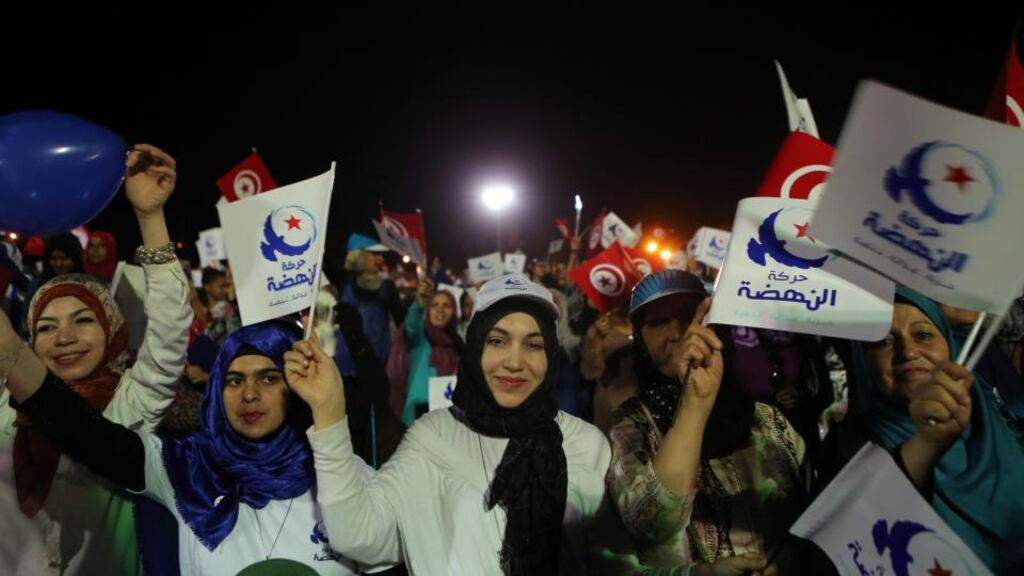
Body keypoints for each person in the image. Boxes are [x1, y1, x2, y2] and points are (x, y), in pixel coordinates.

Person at [3, 321, 397, 575]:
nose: (249, 395)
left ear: (295, 386)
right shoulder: (183, 467)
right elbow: (83, 432)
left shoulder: (344, 475)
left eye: (269, 378)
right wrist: (11, 351)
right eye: (234, 380)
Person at [288, 273, 610, 574]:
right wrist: (329, 412)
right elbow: (357, 532)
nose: (514, 362)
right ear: (474, 346)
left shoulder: (585, 443)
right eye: (497, 341)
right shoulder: (434, 436)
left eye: (533, 344)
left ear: (550, 354)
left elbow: (613, 558)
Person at [0, 144, 192, 576]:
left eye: (83, 320)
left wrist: (150, 217)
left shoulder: (131, 404)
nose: (64, 337)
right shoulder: (4, 406)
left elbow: (171, 329)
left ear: (111, 333)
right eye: (46, 327)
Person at [607, 270, 809, 575]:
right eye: (657, 322)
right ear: (640, 339)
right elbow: (650, 525)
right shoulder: (632, 425)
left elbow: (810, 518)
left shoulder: (767, 420)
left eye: (688, 315)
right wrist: (695, 403)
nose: (676, 332)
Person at [817, 287, 1024, 570]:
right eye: (883, 341)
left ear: (950, 344)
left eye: (923, 335)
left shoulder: (996, 418)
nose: (908, 352)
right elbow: (845, 549)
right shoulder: (847, 448)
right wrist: (927, 443)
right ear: (863, 361)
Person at [389, 278, 462, 425]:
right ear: (428, 310)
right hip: (420, 409)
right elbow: (412, 325)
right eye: (434, 305)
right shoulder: (419, 337)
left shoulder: (458, 344)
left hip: (448, 414)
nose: (440, 310)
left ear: (454, 311)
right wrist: (420, 302)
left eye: (446, 305)